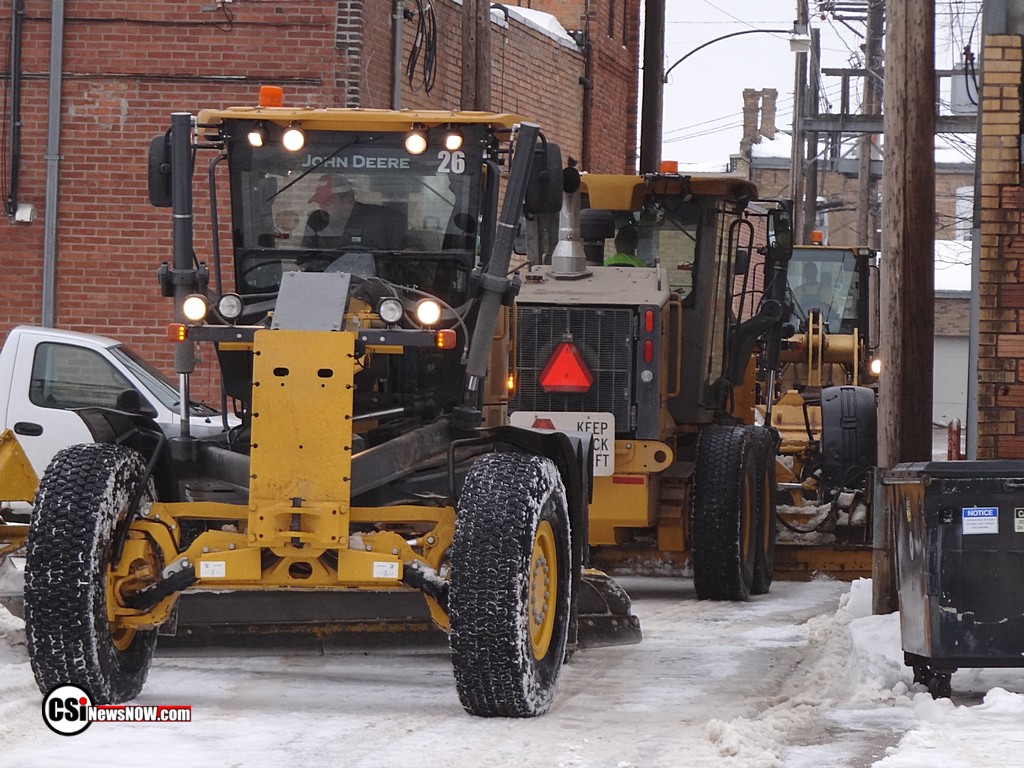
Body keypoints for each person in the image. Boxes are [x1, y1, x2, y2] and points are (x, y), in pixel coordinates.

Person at [301, 174, 406, 251]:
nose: (323, 208)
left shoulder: (384, 219)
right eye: (320, 202)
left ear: (349, 199)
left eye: (328, 202)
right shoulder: (316, 221)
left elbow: (408, 251)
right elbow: (305, 259)